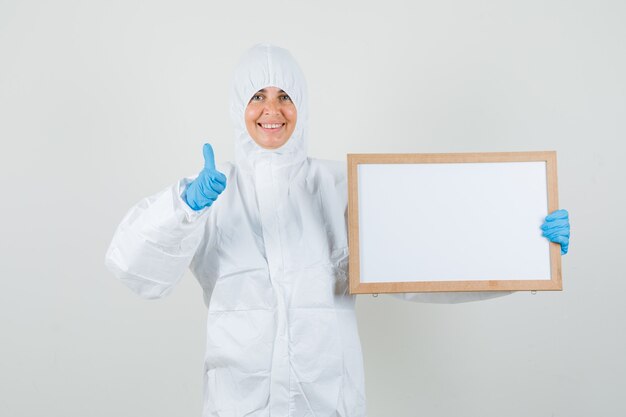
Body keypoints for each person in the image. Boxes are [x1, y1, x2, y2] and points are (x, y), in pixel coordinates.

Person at [105, 44, 570, 417]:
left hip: (328, 403)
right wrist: (185, 207)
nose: (272, 109)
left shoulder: (339, 187)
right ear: (238, 107)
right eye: (257, 96)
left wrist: (530, 248)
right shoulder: (214, 192)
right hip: (237, 404)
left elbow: (422, 266)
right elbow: (133, 265)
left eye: (285, 95)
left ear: (301, 105)